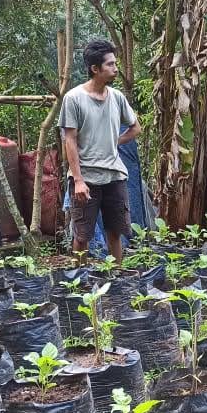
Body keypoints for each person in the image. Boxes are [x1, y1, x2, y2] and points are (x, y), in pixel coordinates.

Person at [58, 39, 141, 262]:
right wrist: (77, 180)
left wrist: (113, 142)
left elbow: (136, 128)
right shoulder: (74, 99)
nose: (115, 68)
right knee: (82, 235)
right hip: (86, 177)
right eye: (110, 65)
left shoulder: (117, 98)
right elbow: (70, 140)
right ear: (95, 69)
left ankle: (118, 279)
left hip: (115, 176)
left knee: (115, 232)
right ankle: (80, 281)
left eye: (115, 63)